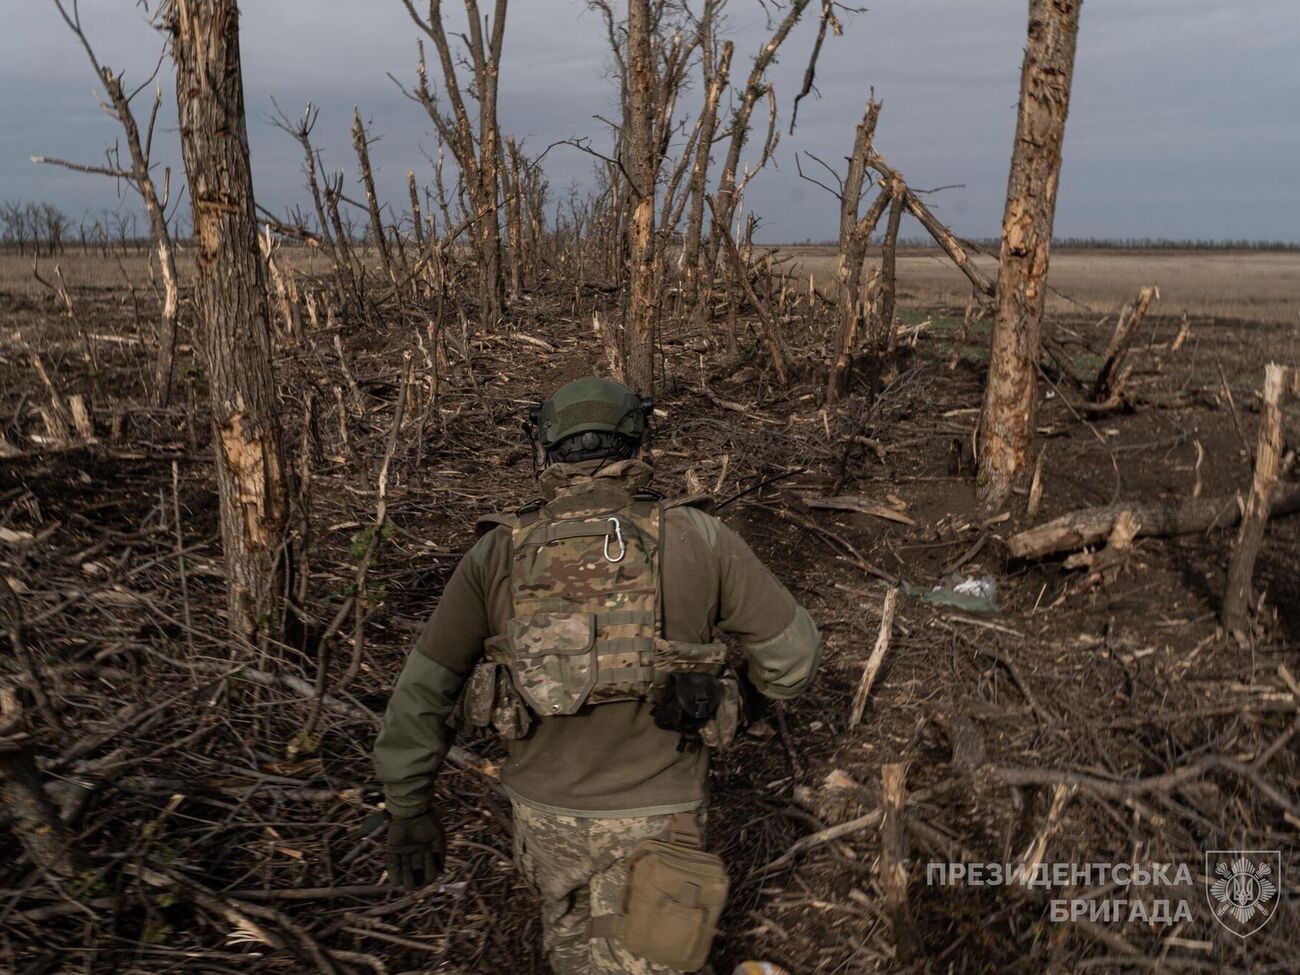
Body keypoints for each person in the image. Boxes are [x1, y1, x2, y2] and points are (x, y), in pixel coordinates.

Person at [374, 377, 822, 974]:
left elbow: (423, 692)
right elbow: (796, 657)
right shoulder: (697, 538)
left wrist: (409, 809)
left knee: (571, 946)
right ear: (637, 441)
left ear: (547, 447)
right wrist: (737, 701)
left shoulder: (497, 553)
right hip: (660, 817)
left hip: (542, 818)